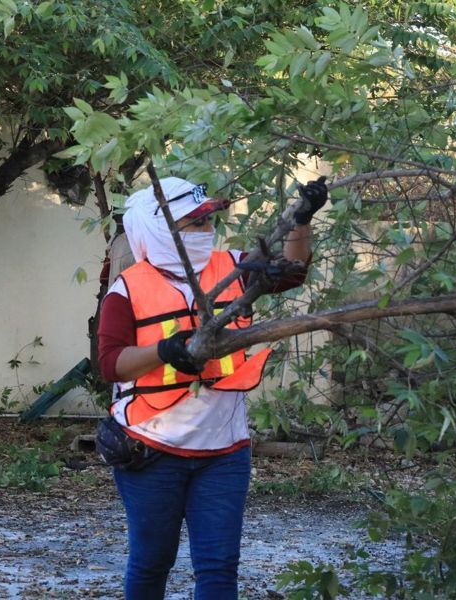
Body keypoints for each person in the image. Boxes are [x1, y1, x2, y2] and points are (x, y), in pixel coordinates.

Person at [96, 176, 328, 599]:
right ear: (160, 230)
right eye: (195, 225)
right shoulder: (127, 288)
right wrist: (165, 350)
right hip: (150, 451)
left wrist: (302, 218)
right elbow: (112, 363)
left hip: (224, 453)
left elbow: (291, 272)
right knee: (152, 563)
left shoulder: (235, 268)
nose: (208, 232)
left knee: (219, 568)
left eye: (208, 223)